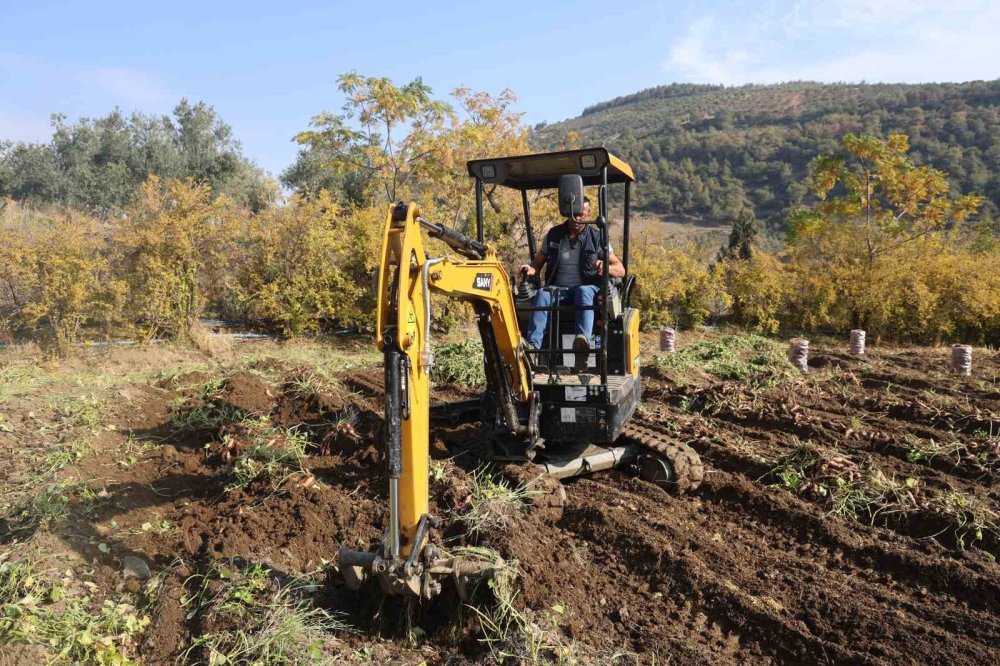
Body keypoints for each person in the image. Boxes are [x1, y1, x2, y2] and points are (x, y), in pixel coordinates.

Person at [519, 197, 625, 371]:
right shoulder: (554, 235)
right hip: (558, 290)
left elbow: (620, 269)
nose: (576, 219)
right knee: (541, 294)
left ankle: (581, 347)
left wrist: (605, 267)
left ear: (589, 215)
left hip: (587, 288)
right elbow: (537, 265)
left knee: (583, 291)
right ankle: (533, 350)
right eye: (573, 214)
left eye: (581, 215)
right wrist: (529, 269)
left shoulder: (598, 238)